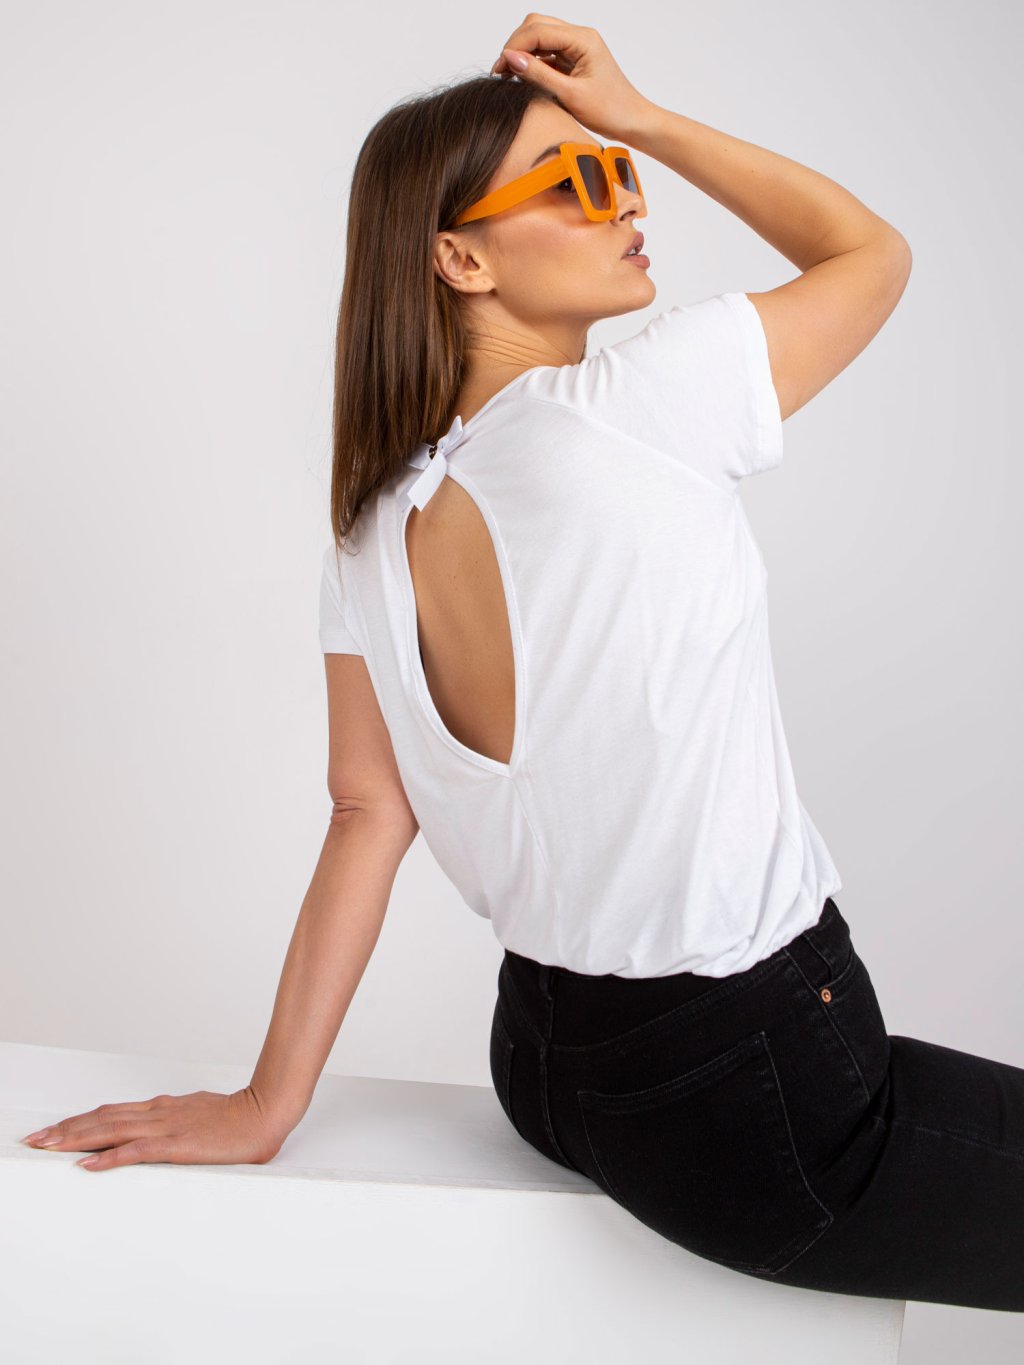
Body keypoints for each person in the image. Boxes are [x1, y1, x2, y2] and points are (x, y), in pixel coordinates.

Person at [22, 16, 1024, 1315]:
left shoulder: (370, 524)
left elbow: (366, 812)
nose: (629, 197)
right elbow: (870, 254)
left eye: (623, 169)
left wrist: (270, 1101)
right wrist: (642, 110)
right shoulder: (645, 408)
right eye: (583, 176)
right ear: (460, 257)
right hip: (755, 1093)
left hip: (552, 1068)